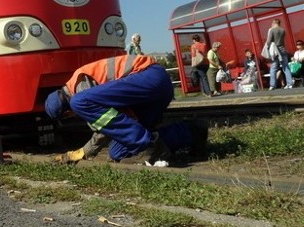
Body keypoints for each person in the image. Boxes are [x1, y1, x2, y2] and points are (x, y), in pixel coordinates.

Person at [44, 54, 208, 167]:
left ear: (67, 113)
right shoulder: (80, 85)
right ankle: (192, 131)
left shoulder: (80, 90)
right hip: (153, 90)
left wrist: (84, 152)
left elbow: (105, 127)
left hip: (150, 77)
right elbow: (113, 121)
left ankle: (148, 146)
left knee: (80, 102)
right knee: (118, 152)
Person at [264, 18, 293, 90]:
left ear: (274, 23)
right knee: (286, 67)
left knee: (273, 67)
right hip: (282, 49)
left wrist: (267, 47)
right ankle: (290, 84)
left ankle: (272, 85)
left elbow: (269, 41)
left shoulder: (272, 30)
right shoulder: (282, 30)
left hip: (275, 51)